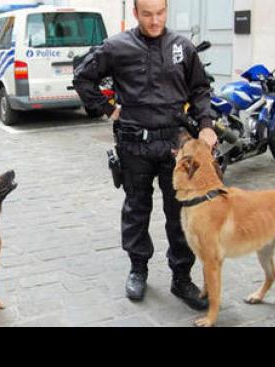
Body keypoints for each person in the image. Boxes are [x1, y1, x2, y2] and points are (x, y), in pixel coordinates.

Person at [73, 0, 218, 310]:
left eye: (160, 13)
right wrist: (107, 108)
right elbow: (83, 77)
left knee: (180, 214)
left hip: (175, 145)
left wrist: (205, 125)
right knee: (136, 209)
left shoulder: (182, 46)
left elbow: (200, 88)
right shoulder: (116, 47)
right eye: (148, 14)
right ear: (135, 13)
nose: (155, 20)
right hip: (134, 144)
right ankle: (138, 269)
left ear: (167, 11)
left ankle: (181, 278)